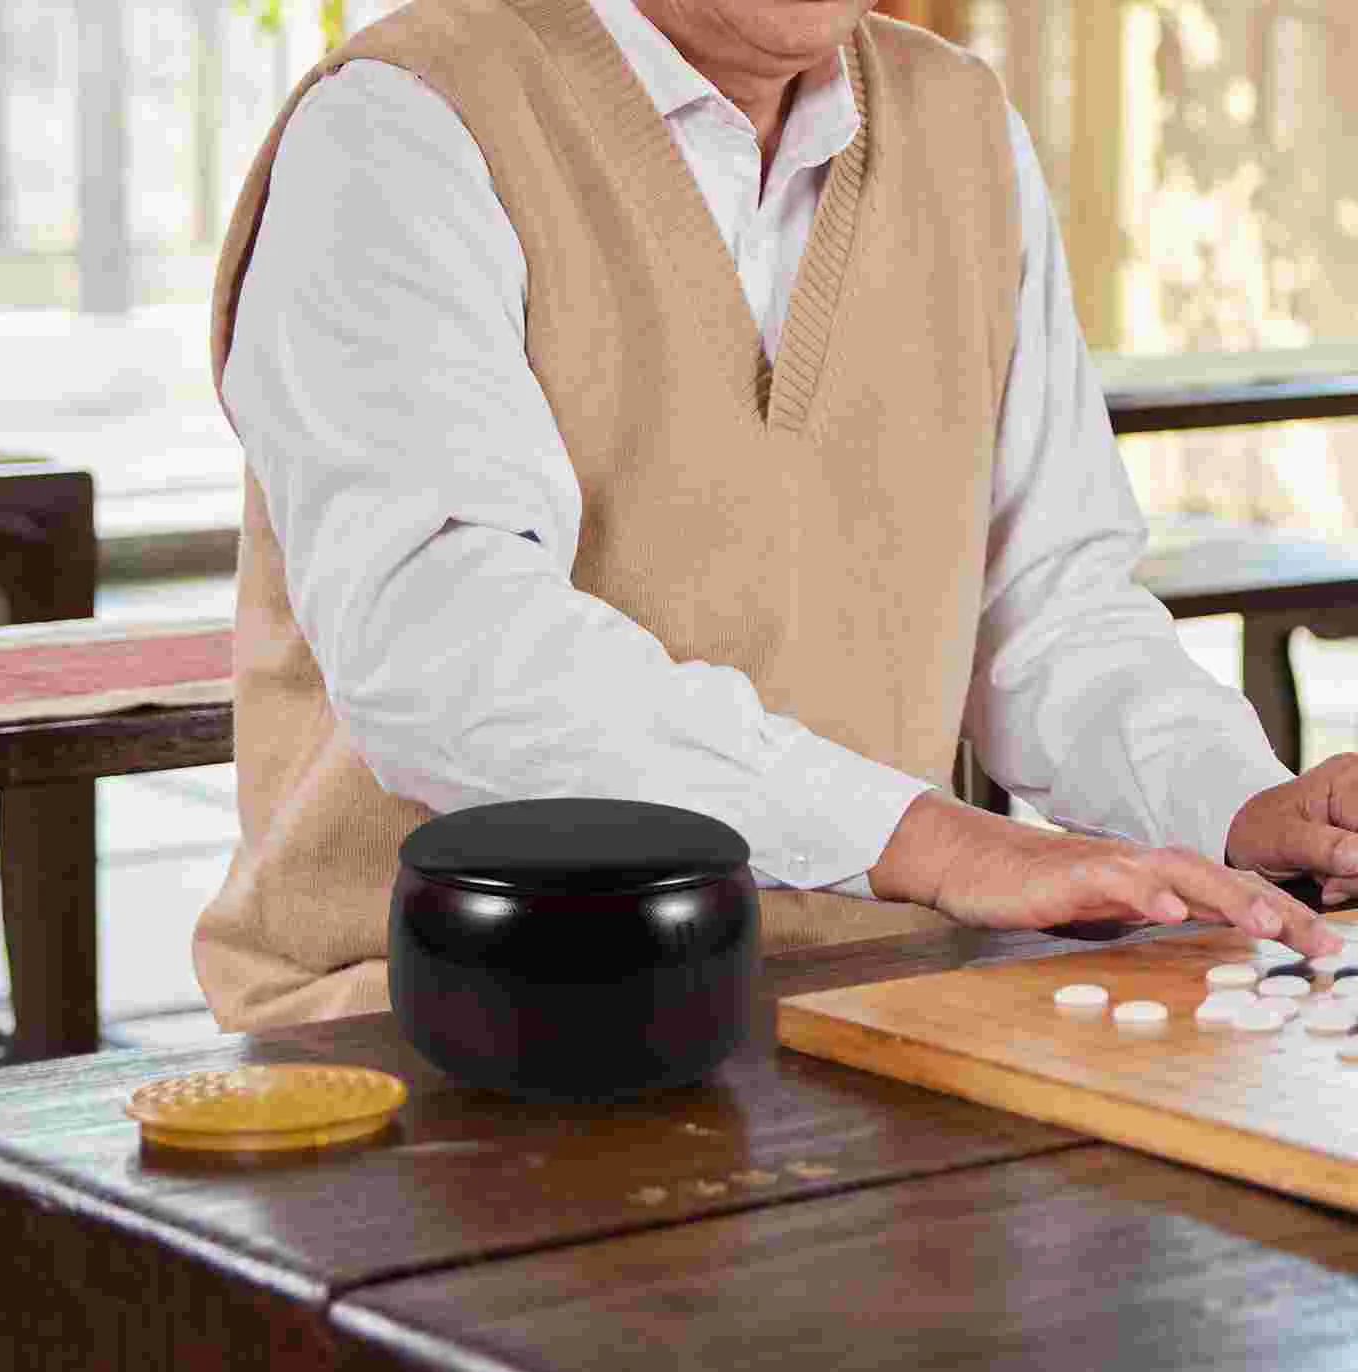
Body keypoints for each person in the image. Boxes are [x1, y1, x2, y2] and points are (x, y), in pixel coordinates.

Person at [194, 0, 1352, 1032]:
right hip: (444, 1028)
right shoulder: (401, 127)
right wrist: (936, 842)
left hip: (875, 1008)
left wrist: (1236, 807)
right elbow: (445, 653)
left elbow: (1048, 609)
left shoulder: (962, 127)